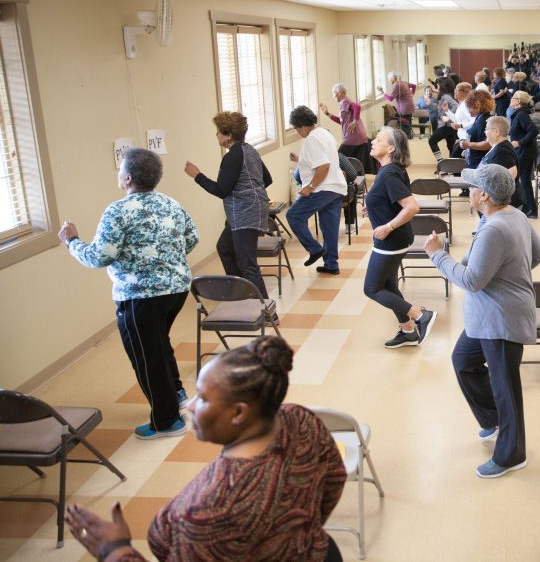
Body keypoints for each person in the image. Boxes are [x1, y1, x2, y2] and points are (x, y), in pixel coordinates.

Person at [66, 336, 347, 562]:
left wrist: (115, 550)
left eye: (202, 398)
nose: (190, 405)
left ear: (239, 413)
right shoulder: (300, 418)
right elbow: (334, 480)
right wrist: (291, 536)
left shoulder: (209, 512)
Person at [59, 148, 198, 439]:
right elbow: (191, 239)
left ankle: (167, 421)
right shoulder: (172, 204)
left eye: (120, 169)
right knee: (158, 343)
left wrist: (71, 241)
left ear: (128, 179)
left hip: (139, 297)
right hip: (176, 290)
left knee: (147, 357)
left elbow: (99, 257)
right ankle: (176, 393)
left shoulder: (118, 211)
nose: (118, 174)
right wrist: (164, 259)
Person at [424, 165, 540, 479]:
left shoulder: (495, 228)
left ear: (486, 196)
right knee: (463, 360)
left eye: (473, 187)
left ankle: (511, 454)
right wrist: (508, 270)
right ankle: (494, 419)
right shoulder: (511, 215)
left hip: (501, 320)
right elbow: (538, 253)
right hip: (487, 318)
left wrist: (438, 255)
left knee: (506, 388)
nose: (469, 190)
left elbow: (472, 279)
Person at [185, 111, 272, 299]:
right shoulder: (249, 150)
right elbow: (267, 179)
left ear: (228, 135)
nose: (216, 135)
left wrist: (197, 175)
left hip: (245, 214)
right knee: (224, 247)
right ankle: (241, 293)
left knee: (247, 262)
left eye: (218, 131)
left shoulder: (232, 156)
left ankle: (265, 310)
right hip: (248, 211)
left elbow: (221, 190)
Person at [363, 126, 436, 349]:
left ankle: (421, 316)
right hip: (398, 239)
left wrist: (388, 226)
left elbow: (412, 207)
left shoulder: (389, 174)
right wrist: (374, 207)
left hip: (391, 241)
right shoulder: (392, 169)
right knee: (389, 285)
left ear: (391, 148)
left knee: (372, 288)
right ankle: (407, 332)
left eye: (378, 140)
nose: (373, 142)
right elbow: (392, 199)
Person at [285, 106, 348, 275]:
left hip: (323, 188)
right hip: (336, 187)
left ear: (303, 126)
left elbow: (323, 166)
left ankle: (314, 248)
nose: (298, 132)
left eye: (297, 128)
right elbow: (323, 158)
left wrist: (309, 187)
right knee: (329, 227)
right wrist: (300, 159)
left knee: (293, 215)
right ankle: (331, 264)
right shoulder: (324, 133)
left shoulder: (311, 139)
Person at [319, 82, 370, 173]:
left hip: (353, 136)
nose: (334, 97)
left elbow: (357, 106)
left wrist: (354, 122)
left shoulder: (345, 101)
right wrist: (327, 113)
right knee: (354, 160)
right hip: (359, 136)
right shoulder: (345, 102)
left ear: (339, 93)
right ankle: (353, 180)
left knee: (338, 157)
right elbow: (341, 122)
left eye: (334, 95)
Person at [508, 90, 539, 218]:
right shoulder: (520, 114)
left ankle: (526, 207)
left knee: (516, 179)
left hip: (525, 151)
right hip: (524, 151)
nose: (511, 99)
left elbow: (534, 130)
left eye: (513, 97)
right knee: (524, 180)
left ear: (518, 101)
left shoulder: (522, 115)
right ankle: (529, 208)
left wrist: (519, 142)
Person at [457, 88, 494, 170]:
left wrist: (468, 145)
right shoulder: (479, 118)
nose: (468, 110)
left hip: (479, 166)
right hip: (474, 164)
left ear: (475, 105)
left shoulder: (485, 120)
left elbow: (488, 144)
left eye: (469, 107)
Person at [428, 77, 460, 162]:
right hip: (449, 126)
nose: (436, 88)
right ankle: (452, 168)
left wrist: (448, 117)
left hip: (446, 126)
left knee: (432, 141)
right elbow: (440, 109)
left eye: (437, 86)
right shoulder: (445, 96)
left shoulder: (445, 96)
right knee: (451, 147)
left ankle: (441, 163)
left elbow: (456, 105)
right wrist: (430, 104)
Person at [378, 71, 417, 137]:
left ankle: (406, 139)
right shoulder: (403, 82)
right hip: (409, 107)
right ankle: (407, 137)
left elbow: (390, 98)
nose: (388, 80)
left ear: (392, 79)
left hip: (405, 109)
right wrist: (412, 94)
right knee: (407, 124)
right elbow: (414, 86)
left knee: (405, 126)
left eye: (389, 79)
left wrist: (382, 92)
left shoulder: (397, 86)